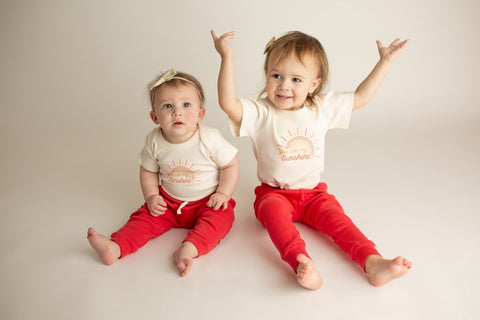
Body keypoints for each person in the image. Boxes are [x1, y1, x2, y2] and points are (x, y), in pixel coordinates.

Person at [211, 30, 412, 290]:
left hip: (315, 194)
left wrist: (384, 62)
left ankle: (372, 263)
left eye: (296, 79)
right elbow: (228, 103)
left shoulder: (321, 108)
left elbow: (361, 97)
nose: (284, 85)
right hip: (274, 194)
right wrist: (226, 57)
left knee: (341, 224)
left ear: (313, 85)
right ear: (267, 75)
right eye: (276, 76)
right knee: (276, 222)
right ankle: (301, 262)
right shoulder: (260, 111)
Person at [87, 69, 239, 277]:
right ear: (155, 117)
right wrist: (152, 196)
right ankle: (116, 247)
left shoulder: (209, 138)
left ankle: (189, 249)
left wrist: (223, 193)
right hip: (168, 203)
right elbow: (148, 171)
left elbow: (230, 165)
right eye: (168, 106)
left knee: (221, 219)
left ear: (200, 114)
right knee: (143, 219)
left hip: (207, 201)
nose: (177, 112)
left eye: (186, 105)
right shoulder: (154, 141)